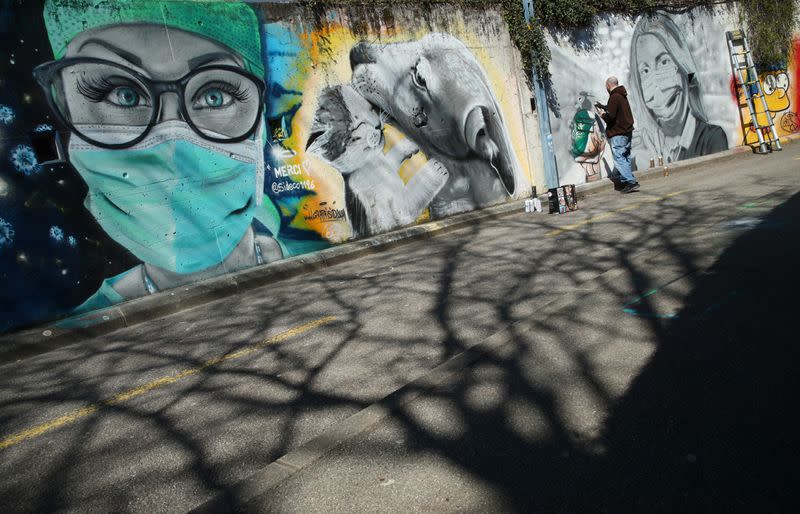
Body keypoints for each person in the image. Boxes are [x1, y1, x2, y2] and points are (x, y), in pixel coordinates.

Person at [34, 0, 286, 313]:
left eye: (214, 95)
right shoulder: (83, 324)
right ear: (64, 103)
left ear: (260, 119)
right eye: (124, 94)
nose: (171, 146)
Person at [628, 13, 728, 165]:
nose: (658, 87)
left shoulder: (711, 138)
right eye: (645, 71)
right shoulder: (644, 148)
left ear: (682, 67)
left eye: (664, 62)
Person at [595, 76, 639, 193]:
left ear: (608, 85)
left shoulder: (614, 97)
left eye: (606, 86)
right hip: (626, 132)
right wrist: (604, 106)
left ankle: (630, 181)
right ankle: (626, 182)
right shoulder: (621, 95)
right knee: (625, 158)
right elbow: (614, 110)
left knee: (619, 159)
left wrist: (602, 115)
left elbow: (611, 117)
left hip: (618, 133)